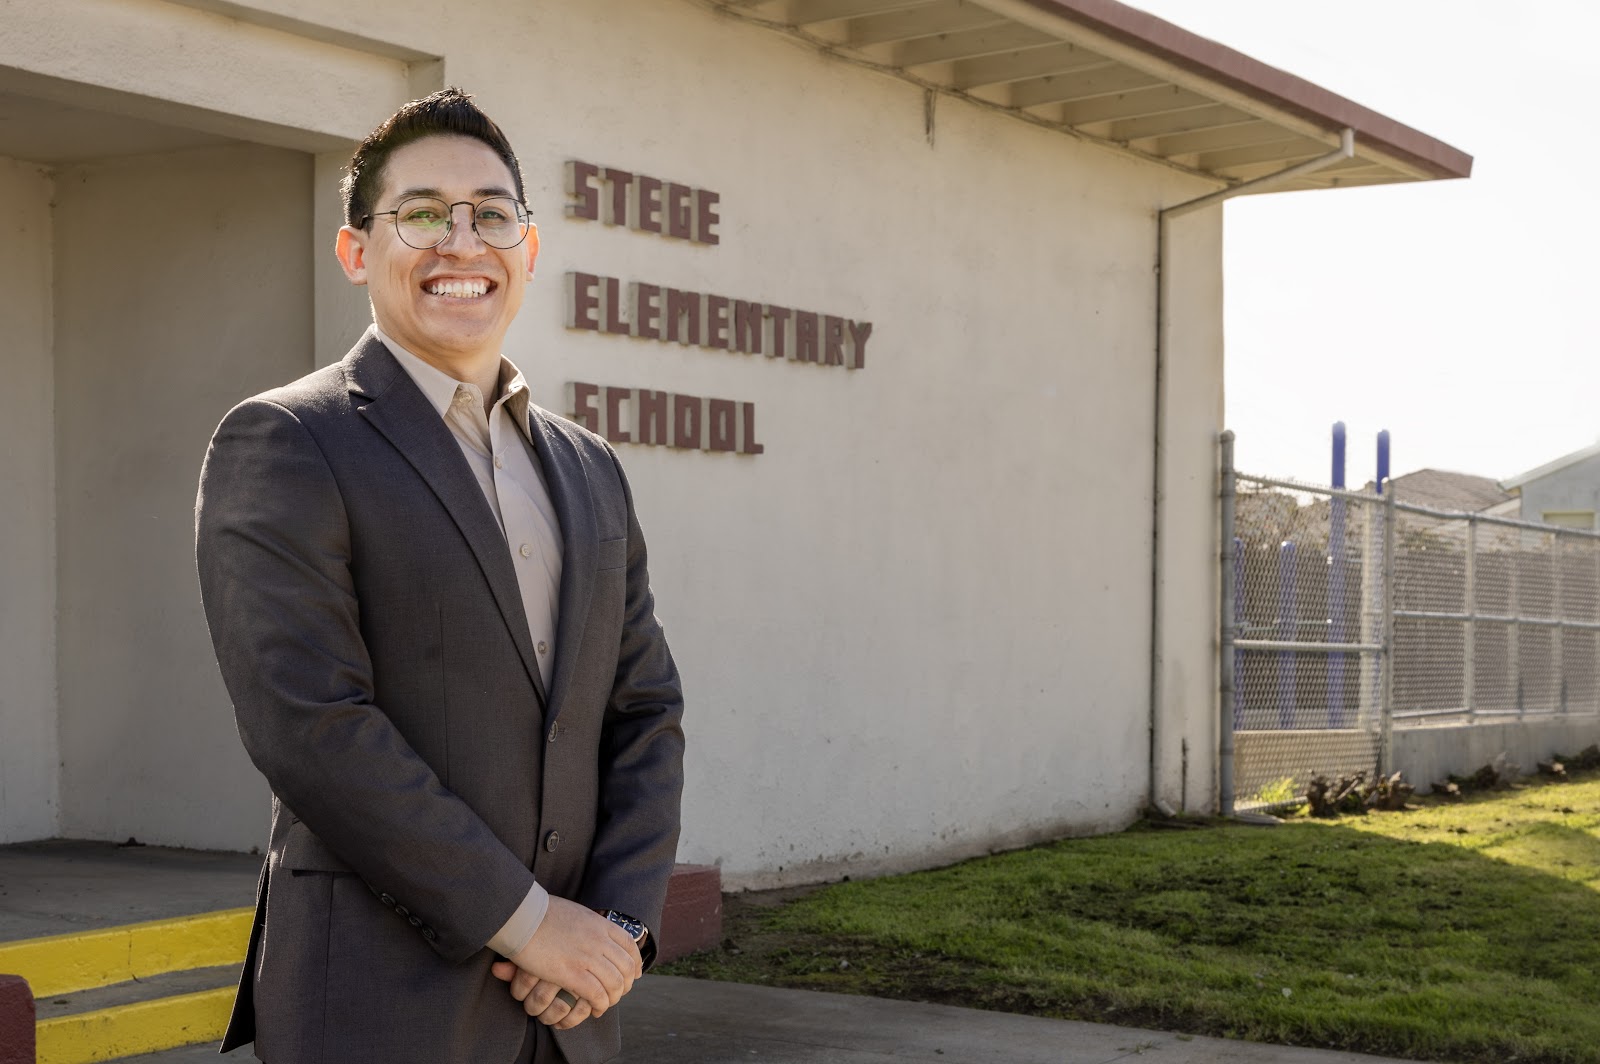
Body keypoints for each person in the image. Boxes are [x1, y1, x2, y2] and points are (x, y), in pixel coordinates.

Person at [195, 88, 685, 1064]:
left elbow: (643, 711)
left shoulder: (590, 467)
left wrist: (615, 927)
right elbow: (313, 724)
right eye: (421, 213)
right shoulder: (288, 440)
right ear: (355, 250)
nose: (461, 243)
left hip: (572, 1011)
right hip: (380, 1004)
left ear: (530, 251)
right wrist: (525, 919)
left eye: (491, 215)